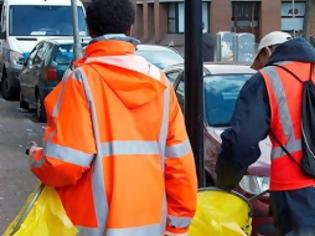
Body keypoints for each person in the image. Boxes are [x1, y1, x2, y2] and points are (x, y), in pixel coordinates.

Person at [28, 0, 197, 235]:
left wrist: (35, 157)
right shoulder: (161, 84)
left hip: (93, 227)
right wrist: (177, 227)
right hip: (149, 226)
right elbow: (179, 164)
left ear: (89, 30)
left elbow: (63, 165)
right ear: (130, 28)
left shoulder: (80, 82)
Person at [215, 31, 315, 236]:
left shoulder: (268, 78)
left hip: (294, 192)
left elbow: (242, 142)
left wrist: (226, 180)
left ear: (266, 53)